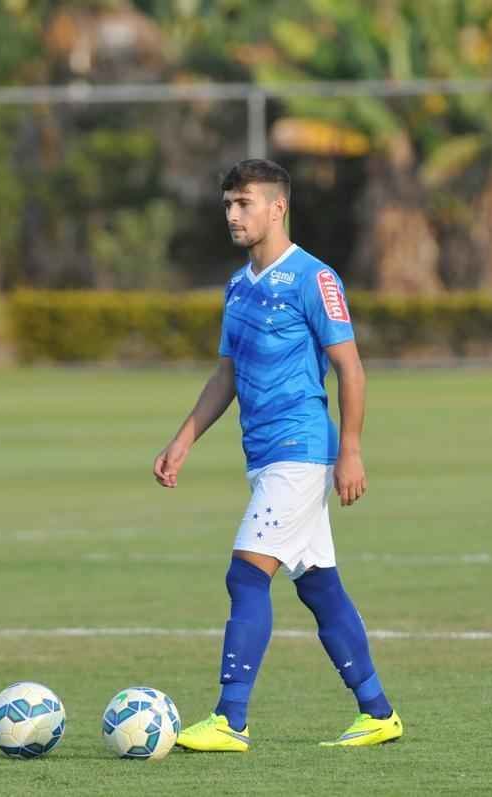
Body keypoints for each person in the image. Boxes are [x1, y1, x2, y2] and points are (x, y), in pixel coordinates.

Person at [153, 158, 402, 750]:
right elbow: (227, 374)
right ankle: (378, 713)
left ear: (277, 207)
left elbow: (350, 368)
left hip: (301, 451)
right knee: (319, 587)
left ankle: (230, 719)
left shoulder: (314, 278)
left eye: (244, 204)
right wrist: (183, 439)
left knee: (245, 575)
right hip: (264, 455)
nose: (233, 215)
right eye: (228, 205)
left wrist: (351, 451)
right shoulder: (237, 287)